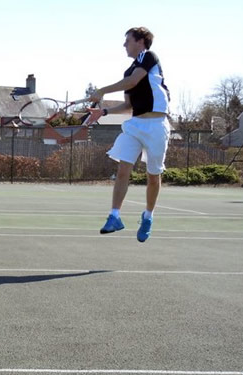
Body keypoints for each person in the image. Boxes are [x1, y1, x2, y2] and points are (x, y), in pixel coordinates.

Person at [85, 27, 170, 243]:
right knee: (123, 168)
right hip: (135, 124)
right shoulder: (128, 71)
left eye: (127, 41)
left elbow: (134, 81)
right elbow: (128, 105)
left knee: (153, 177)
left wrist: (102, 90)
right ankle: (115, 216)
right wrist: (104, 111)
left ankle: (148, 216)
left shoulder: (148, 57)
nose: (124, 45)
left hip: (157, 125)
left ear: (140, 41)